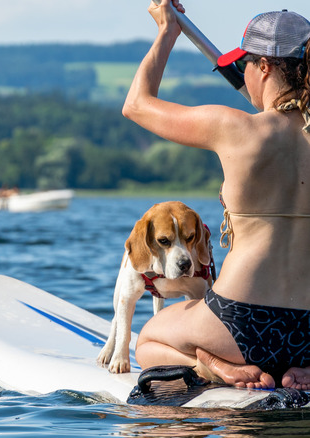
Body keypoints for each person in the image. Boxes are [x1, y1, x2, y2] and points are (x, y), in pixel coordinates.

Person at [122, 0, 310, 389]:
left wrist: (166, 33)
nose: (242, 74)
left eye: (245, 65)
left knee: (150, 340)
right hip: (307, 332)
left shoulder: (234, 127)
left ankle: (214, 366)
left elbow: (137, 105)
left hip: (238, 324)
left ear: (264, 67)